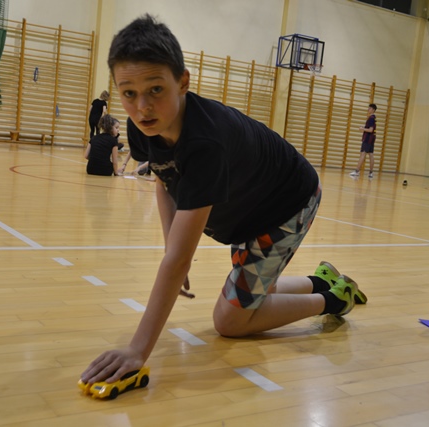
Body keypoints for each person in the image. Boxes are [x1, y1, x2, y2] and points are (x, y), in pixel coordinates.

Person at [80, 15, 367, 387]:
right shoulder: (142, 127)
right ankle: (319, 280)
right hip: (249, 208)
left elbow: (179, 259)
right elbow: (165, 181)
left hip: (286, 204)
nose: (142, 107)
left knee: (229, 321)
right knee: (254, 293)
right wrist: (170, 246)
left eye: (155, 89)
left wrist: (137, 350)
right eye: (128, 93)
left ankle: (335, 299)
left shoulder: (205, 145)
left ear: (183, 82)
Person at [349, 104, 377, 179]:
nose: (368, 109)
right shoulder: (373, 118)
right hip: (372, 139)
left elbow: (370, 130)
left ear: (373, 110)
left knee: (363, 154)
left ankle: (357, 171)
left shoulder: (371, 118)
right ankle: (371, 172)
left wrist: (362, 129)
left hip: (368, 139)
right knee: (371, 154)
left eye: (370, 108)